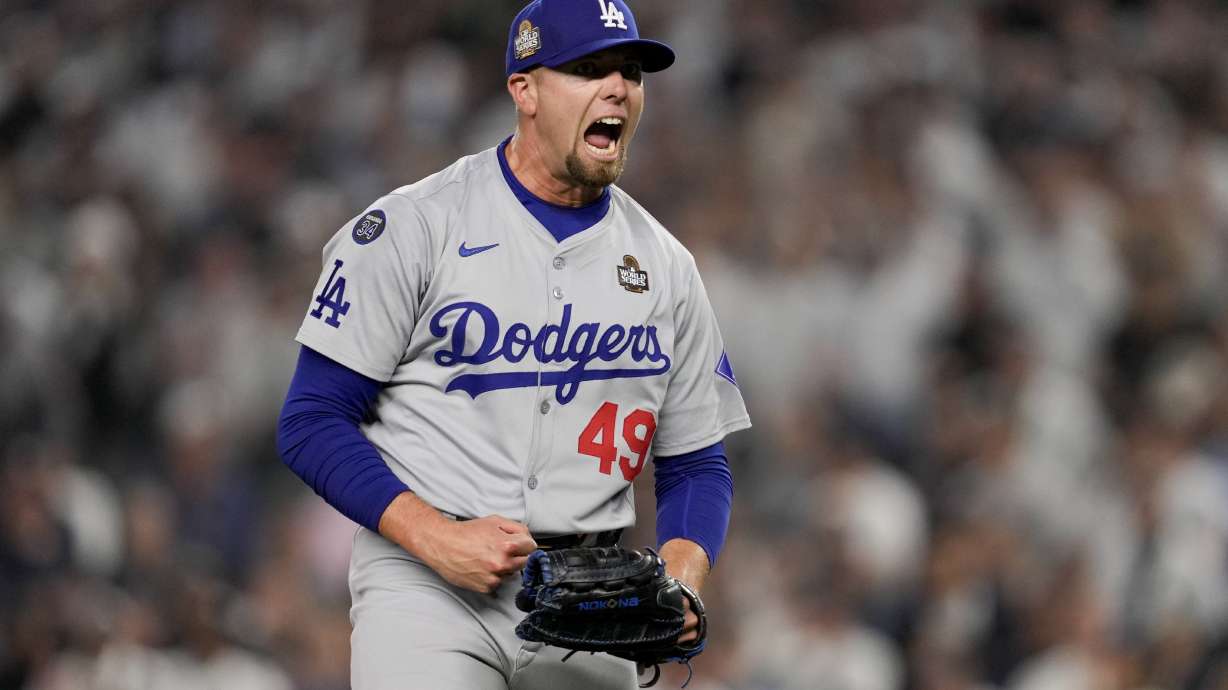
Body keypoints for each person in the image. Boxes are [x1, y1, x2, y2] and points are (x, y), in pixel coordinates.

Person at [276, 1, 751, 688]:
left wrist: (683, 571)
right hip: (428, 588)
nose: (618, 88)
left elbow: (697, 463)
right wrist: (435, 536)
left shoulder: (667, 267)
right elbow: (311, 420)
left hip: (592, 601)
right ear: (524, 90)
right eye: (589, 69)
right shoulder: (415, 228)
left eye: (630, 72)